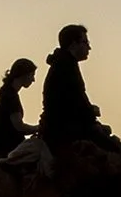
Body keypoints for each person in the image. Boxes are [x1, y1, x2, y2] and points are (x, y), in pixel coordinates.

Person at [39, 24, 114, 153]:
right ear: (74, 44)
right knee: (115, 150)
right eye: (85, 42)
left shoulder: (63, 63)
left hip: (58, 127)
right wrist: (92, 111)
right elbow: (77, 101)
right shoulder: (66, 66)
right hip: (63, 131)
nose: (89, 47)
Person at [0, 58, 38, 164]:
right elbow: (19, 126)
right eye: (32, 75)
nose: (33, 80)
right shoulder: (10, 97)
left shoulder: (7, 93)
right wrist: (38, 128)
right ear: (23, 75)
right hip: (7, 147)